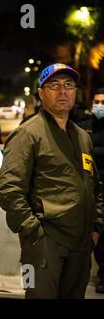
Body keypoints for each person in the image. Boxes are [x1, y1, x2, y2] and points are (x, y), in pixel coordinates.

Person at [0, 63, 103, 299]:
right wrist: (33, 232)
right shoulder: (27, 134)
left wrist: (96, 228)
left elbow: (96, 187)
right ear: (42, 94)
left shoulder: (82, 137)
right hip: (44, 243)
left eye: (68, 85)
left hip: (81, 243)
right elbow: (9, 190)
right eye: (53, 85)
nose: (62, 91)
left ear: (76, 91)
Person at [90, 88, 104, 293]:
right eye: (97, 102)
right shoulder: (85, 126)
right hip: (93, 186)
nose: (99, 106)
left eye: (103, 102)